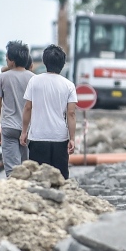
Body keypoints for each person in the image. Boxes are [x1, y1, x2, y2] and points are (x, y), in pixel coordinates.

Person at [20, 44, 78, 179]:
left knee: (37, 179)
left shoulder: (34, 81)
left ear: (44, 61)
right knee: (60, 179)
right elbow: (71, 114)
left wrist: (24, 131)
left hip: (37, 137)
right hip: (60, 137)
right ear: (63, 63)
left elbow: (27, 107)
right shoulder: (69, 85)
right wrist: (72, 138)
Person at [0, 41, 33, 176]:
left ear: (11, 61)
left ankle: (14, 187)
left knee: (12, 169)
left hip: (9, 127)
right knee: (28, 166)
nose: (5, 60)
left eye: (6, 57)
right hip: (29, 128)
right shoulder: (33, 78)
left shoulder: (2, 78)